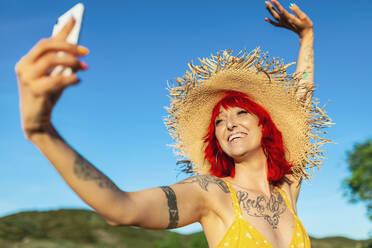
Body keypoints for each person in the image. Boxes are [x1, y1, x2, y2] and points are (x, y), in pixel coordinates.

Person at [14, 1, 332, 247]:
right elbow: (121, 208)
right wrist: (42, 132)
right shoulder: (211, 193)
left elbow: (300, 107)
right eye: (219, 121)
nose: (229, 124)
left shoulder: (287, 190)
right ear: (216, 139)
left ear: (266, 126)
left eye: (241, 113)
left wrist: (307, 38)